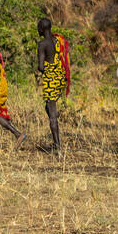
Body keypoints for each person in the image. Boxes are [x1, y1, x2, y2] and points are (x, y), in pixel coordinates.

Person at [35, 18, 70, 150]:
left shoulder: (42, 44)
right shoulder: (57, 41)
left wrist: (43, 69)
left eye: (38, 27)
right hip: (59, 78)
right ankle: (56, 140)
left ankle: (57, 146)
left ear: (42, 29)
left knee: (52, 112)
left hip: (50, 80)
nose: (37, 30)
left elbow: (40, 66)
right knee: (49, 108)